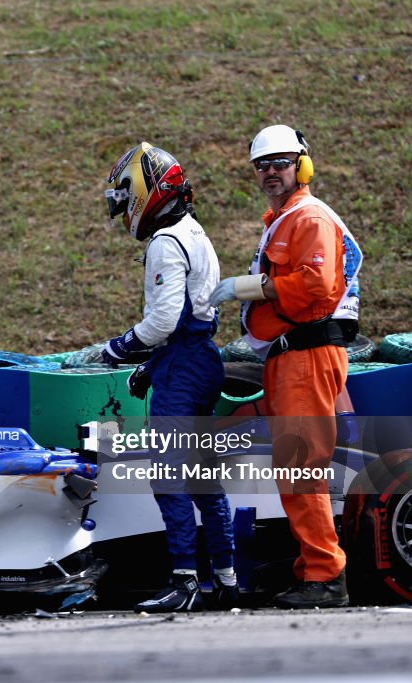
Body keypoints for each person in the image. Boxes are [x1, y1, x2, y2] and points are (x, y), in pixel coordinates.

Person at [210, 125, 362, 608]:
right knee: (294, 466)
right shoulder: (285, 218)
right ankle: (309, 569)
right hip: (289, 355)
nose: (270, 172)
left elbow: (317, 283)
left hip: (307, 353)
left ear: (302, 165)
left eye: (279, 162)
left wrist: (253, 287)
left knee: (301, 467)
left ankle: (323, 575)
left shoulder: (308, 216)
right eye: (262, 165)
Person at [101, 142, 238, 612]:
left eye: (125, 196)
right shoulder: (195, 231)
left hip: (183, 368)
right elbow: (191, 322)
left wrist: (118, 348)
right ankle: (225, 577)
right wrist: (151, 365)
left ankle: (184, 582)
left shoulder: (165, 241)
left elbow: (164, 322)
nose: (123, 210)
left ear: (146, 190)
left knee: (170, 478)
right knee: (203, 479)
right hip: (199, 361)